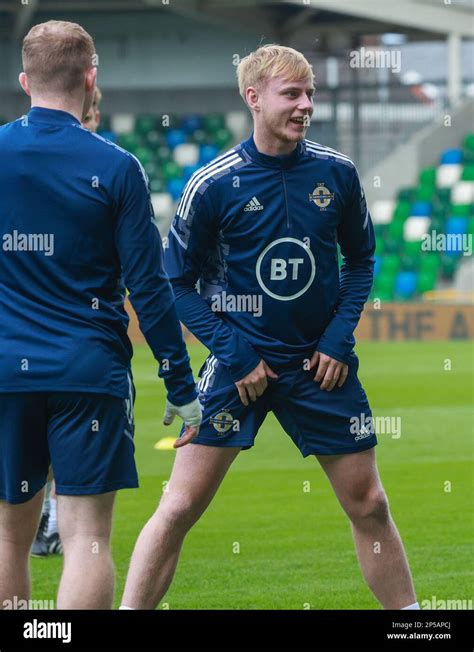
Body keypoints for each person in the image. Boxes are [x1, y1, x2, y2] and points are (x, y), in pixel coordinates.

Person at [121, 44, 419, 611]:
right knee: (179, 507)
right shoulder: (211, 184)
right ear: (253, 98)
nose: (305, 105)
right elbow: (174, 284)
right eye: (292, 94)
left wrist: (337, 339)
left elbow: (360, 263)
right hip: (239, 369)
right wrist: (234, 352)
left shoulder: (338, 173)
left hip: (320, 368)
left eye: (309, 94)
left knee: (370, 504)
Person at [0, 20, 201, 610]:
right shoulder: (117, 167)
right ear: (91, 79)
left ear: (23, 80)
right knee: (86, 538)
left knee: (9, 538)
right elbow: (150, 287)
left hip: (6, 372)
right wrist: (181, 383)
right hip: (89, 374)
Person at [31, 85, 105, 560]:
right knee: (89, 538)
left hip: (24, 349)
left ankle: (50, 518)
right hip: (82, 352)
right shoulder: (111, 170)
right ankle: (53, 519)